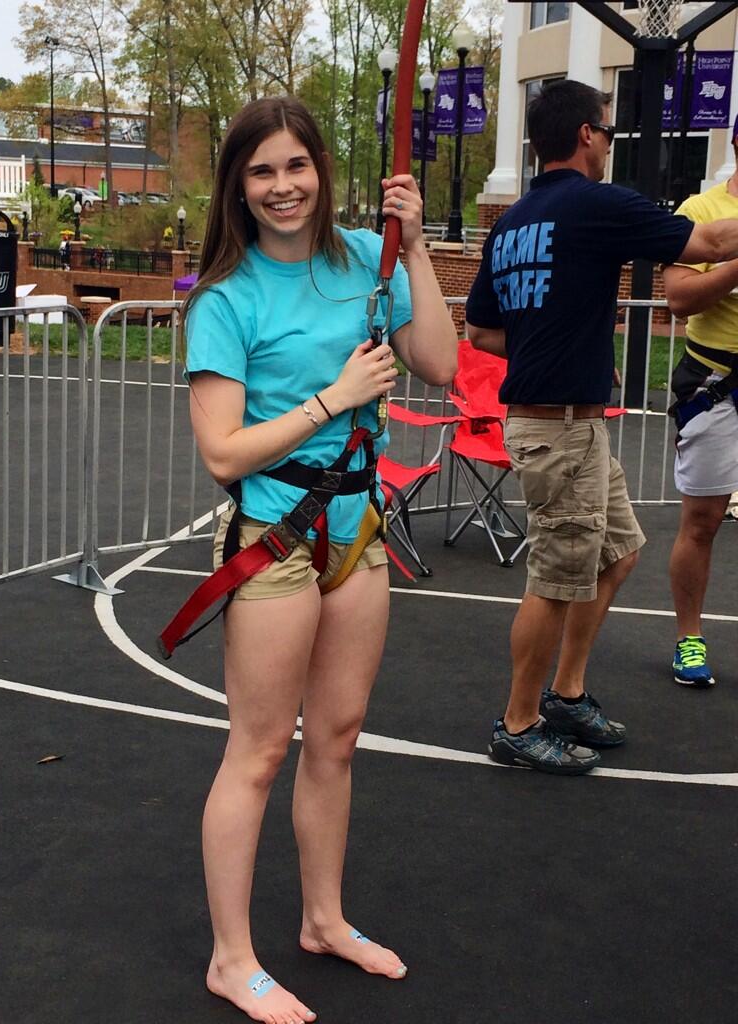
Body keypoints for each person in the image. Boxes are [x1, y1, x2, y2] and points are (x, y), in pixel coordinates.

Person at [183, 96, 457, 1022]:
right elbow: (223, 451)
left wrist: (414, 244)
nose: (282, 186)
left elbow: (439, 362)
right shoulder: (226, 297)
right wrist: (336, 398)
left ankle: (324, 920)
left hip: (360, 536)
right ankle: (231, 957)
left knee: (336, 739)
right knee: (259, 752)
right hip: (277, 543)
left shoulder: (364, 262)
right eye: (261, 171)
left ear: (320, 168)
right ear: (239, 186)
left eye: (295, 165)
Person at [465, 79, 738, 775]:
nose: (611, 141)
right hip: (556, 430)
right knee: (554, 579)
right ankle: (518, 723)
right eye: (610, 130)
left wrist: (553, 346)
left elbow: (483, 330)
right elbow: (706, 239)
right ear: (586, 134)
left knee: (617, 555)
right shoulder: (596, 204)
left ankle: (566, 692)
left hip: (566, 425)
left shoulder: (513, 221)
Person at [663, 114, 738, 688]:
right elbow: (678, 299)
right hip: (719, 383)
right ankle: (690, 637)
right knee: (703, 522)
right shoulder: (703, 209)